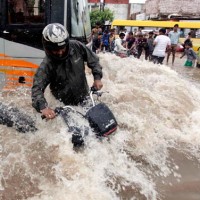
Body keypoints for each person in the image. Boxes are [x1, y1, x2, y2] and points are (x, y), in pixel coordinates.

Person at [31, 23, 103, 119]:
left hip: (85, 99)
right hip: (64, 107)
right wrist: (43, 108)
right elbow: (37, 89)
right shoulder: (46, 66)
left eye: (62, 48)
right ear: (48, 48)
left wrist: (97, 78)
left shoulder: (77, 47)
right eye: (56, 50)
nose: (60, 52)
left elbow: (94, 60)